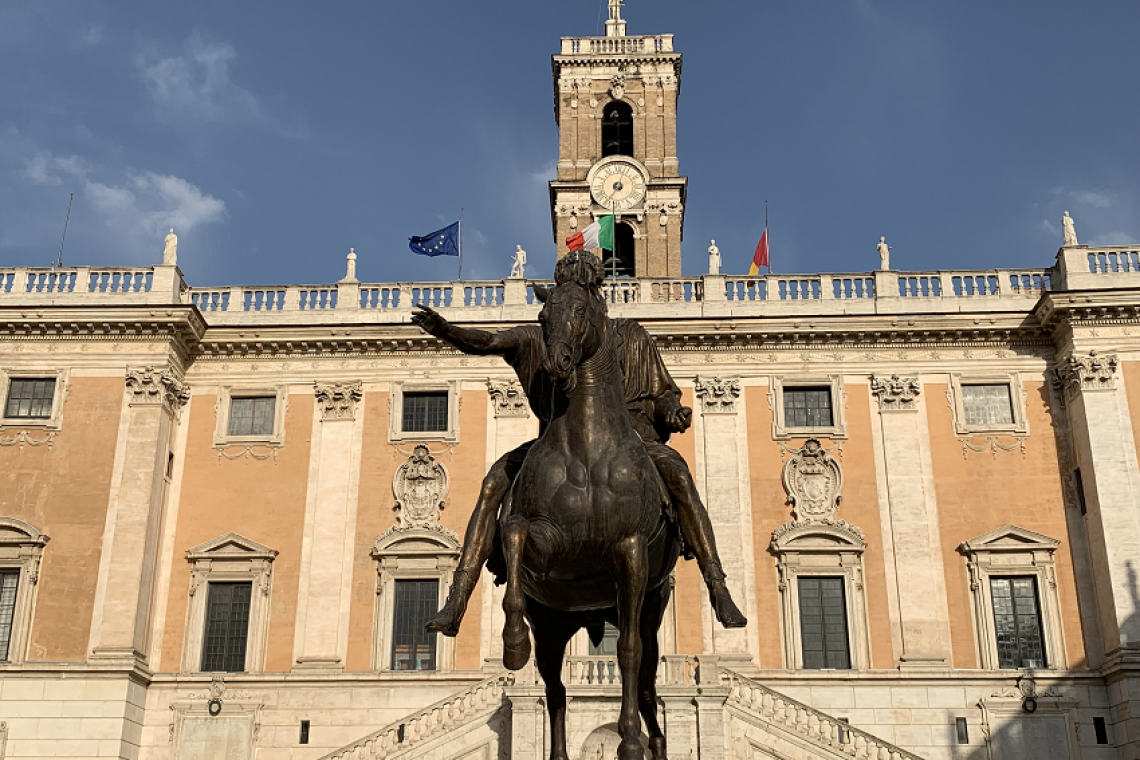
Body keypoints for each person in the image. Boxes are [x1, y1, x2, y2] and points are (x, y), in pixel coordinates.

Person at [413, 252, 747, 636]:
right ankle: (458, 596)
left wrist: (672, 410)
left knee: (680, 477)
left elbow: (662, 391)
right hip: (557, 439)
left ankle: (717, 584)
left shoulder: (631, 335)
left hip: (634, 440)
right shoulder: (547, 334)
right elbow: (489, 341)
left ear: (593, 294)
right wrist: (447, 330)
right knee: (493, 484)